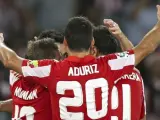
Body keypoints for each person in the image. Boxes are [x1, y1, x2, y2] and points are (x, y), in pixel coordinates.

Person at [0, 5, 160, 119]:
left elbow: (9, 60)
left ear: (66, 43)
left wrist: (0, 43)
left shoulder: (51, 70)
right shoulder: (109, 65)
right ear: (92, 44)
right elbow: (145, 48)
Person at [93, 20, 146, 120]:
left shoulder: (93, 73)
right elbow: (142, 117)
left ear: (93, 49)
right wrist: (121, 36)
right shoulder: (135, 74)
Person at [1, 38, 60, 120]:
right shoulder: (51, 86)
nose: (60, 62)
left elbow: (23, 103)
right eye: (58, 59)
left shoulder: (14, 75)